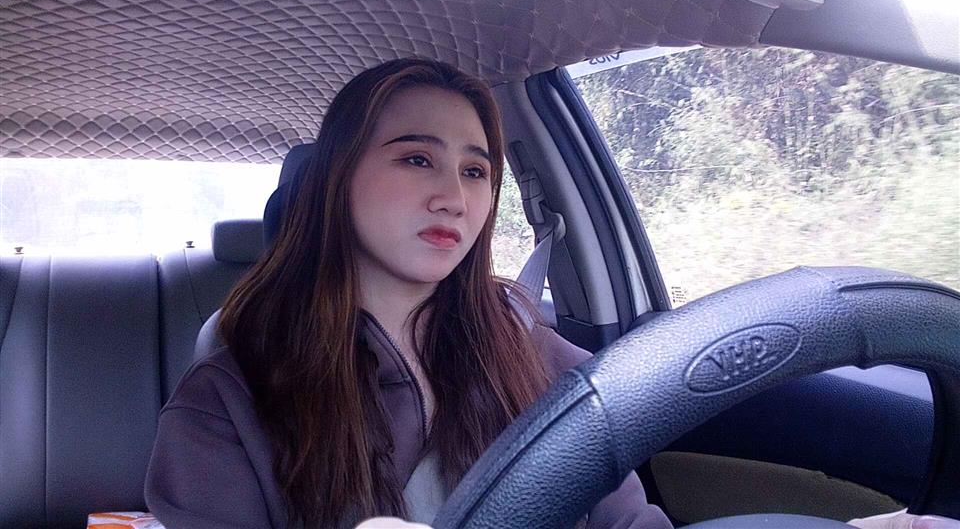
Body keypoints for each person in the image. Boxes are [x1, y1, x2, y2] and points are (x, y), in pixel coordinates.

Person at [144, 58, 673, 528]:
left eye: (475, 171)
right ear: (338, 179)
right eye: (417, 159)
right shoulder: (225, 404)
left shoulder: (536, 355)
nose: (455, 198)